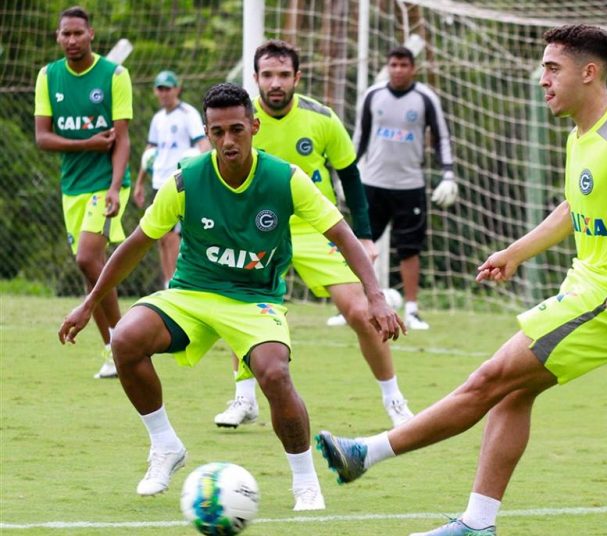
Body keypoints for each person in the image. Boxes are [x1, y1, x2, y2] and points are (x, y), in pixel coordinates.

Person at [316, 24, 607, 535]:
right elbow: (571, 207)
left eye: (552, 68)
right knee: (514, 393)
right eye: (542, 67)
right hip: (583, 286)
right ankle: (478, 523)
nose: (543, 79)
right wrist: (515, 252)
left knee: (489, 380)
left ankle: (369, 452)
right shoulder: (580, 134)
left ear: (589, 72)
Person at [58, 82, 404, 511]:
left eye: (236, 129)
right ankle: (166, 446)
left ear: (254, 127)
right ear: (206, 133)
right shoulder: (185, 182)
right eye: (217, 132)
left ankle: (304, 482)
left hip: (254, 300)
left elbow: (343, 235)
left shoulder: (285, 179)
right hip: (192, 293)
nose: (228, 141)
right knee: (124, 339)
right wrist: (89, 303)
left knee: (274, 373)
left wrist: (376, 296)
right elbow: (135, 243)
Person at [213, 40, 414, 430]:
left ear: (297, 78)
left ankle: (395, 401)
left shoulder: (321, 118)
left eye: (283, 75)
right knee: (240, 308)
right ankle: (243, 398)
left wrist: (366, 236)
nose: (275, 83)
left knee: (360, 311)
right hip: (259, 231)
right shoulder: (241, 121)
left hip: (315, 227)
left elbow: (350, 176)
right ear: (255, 78)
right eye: (267, 75)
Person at [35, 6, 133, 379]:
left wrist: (114, 187)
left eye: (78, 33)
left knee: (87, 258)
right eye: (65, 34)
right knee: (91, 270)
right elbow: (43, 138)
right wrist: (88, 143)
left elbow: (122, 140)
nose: (72, 40)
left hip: (106, 183)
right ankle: (114, 349)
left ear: (91, 34)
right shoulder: (49, 76)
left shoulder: (115, 75)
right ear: (58, 37)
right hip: (71, 188)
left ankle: (125, 340)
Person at [353, 45, 458, 331]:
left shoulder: (425, 98)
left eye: (403, 65)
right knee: (361, 246)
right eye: (393, 65)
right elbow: (360, 137)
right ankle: (352, 304)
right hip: (372, 183)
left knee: (409, 250)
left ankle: (411, 310)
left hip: (409, 185)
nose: (398, 70)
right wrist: (348, 175)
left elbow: (441, 137)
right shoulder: (373, 95)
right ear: (388, 67)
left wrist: (448, 174)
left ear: (413, 68)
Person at [132, 70, 210, 288]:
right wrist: (140, 182)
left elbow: (203, 144)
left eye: (168, 88)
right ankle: (168, 282)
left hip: (180, 182)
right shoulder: (158, 119)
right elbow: (150, 152)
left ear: (177, 88)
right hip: (158, 182)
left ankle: (177, 282)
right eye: (160, 88)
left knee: (174, 234)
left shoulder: (188, 114)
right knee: (161, 234)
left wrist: (205, 174)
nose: (164, 93)